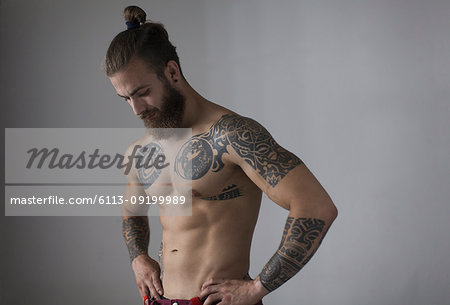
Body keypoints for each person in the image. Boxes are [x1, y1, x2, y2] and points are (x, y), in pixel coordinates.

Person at [104, 5, 338, 305]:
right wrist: (138, 257)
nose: (136, 109)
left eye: (142, 92)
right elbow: (131, 211)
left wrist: (256, 288)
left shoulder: (232, 136)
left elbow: (316, 206)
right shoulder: (140, 150)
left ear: (172, 72)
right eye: (126, 99)